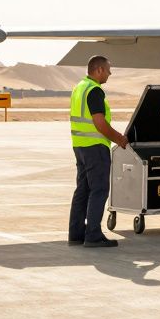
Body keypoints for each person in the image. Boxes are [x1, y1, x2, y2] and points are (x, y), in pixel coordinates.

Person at [68, 55, 128, 247]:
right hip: (95, 148)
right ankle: (93, 235)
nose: (110, 73)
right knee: (99, 189)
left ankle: (76, 234)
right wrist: (119, 138)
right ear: (99, 70)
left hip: (80, 146)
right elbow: (99, 123)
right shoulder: (94, 90)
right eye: (108, 69)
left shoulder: (79, 87)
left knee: (83, 190)